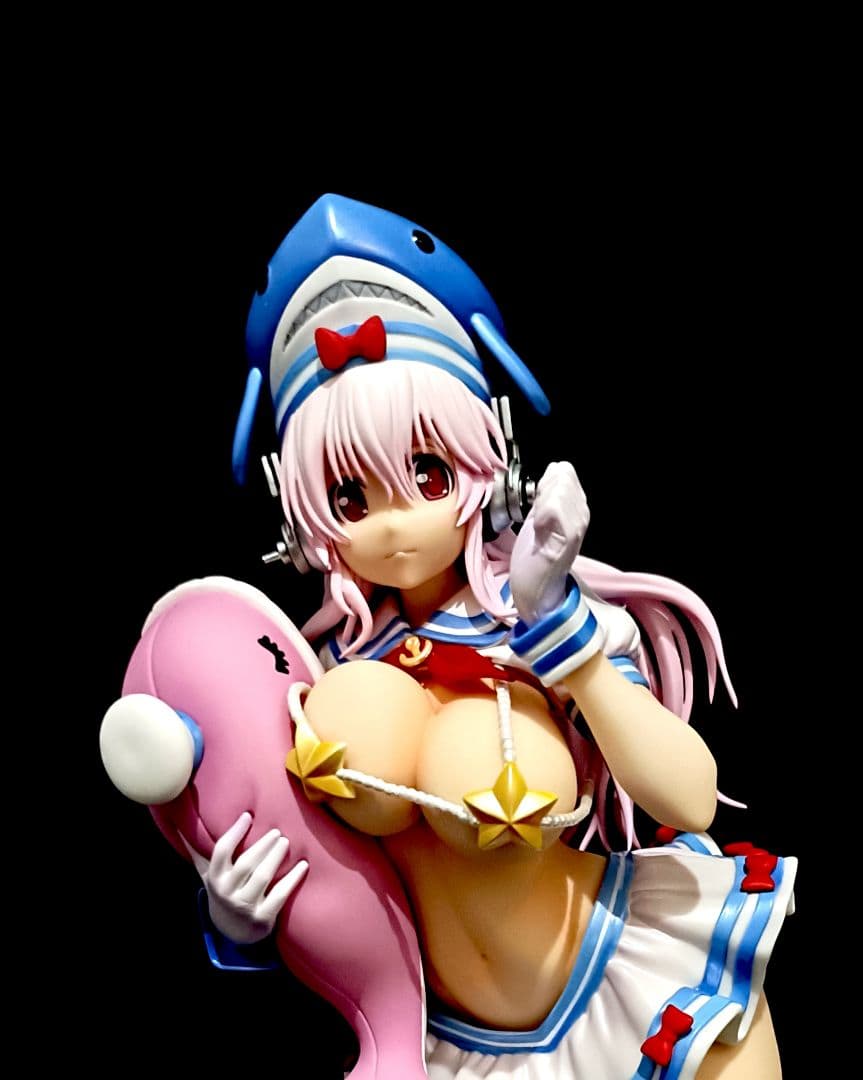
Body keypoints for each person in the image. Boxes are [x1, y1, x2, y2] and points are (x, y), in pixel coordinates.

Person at [107, 195, 796, 1079]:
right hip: (461, 1050)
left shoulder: (543, 616)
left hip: (630, 986)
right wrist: (238, 920)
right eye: (350, 497)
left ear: (487, 458)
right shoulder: (316, 672)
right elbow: (325, 890)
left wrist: (566, 638)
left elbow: (690, 799)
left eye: (428, 474)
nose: (395, 522)